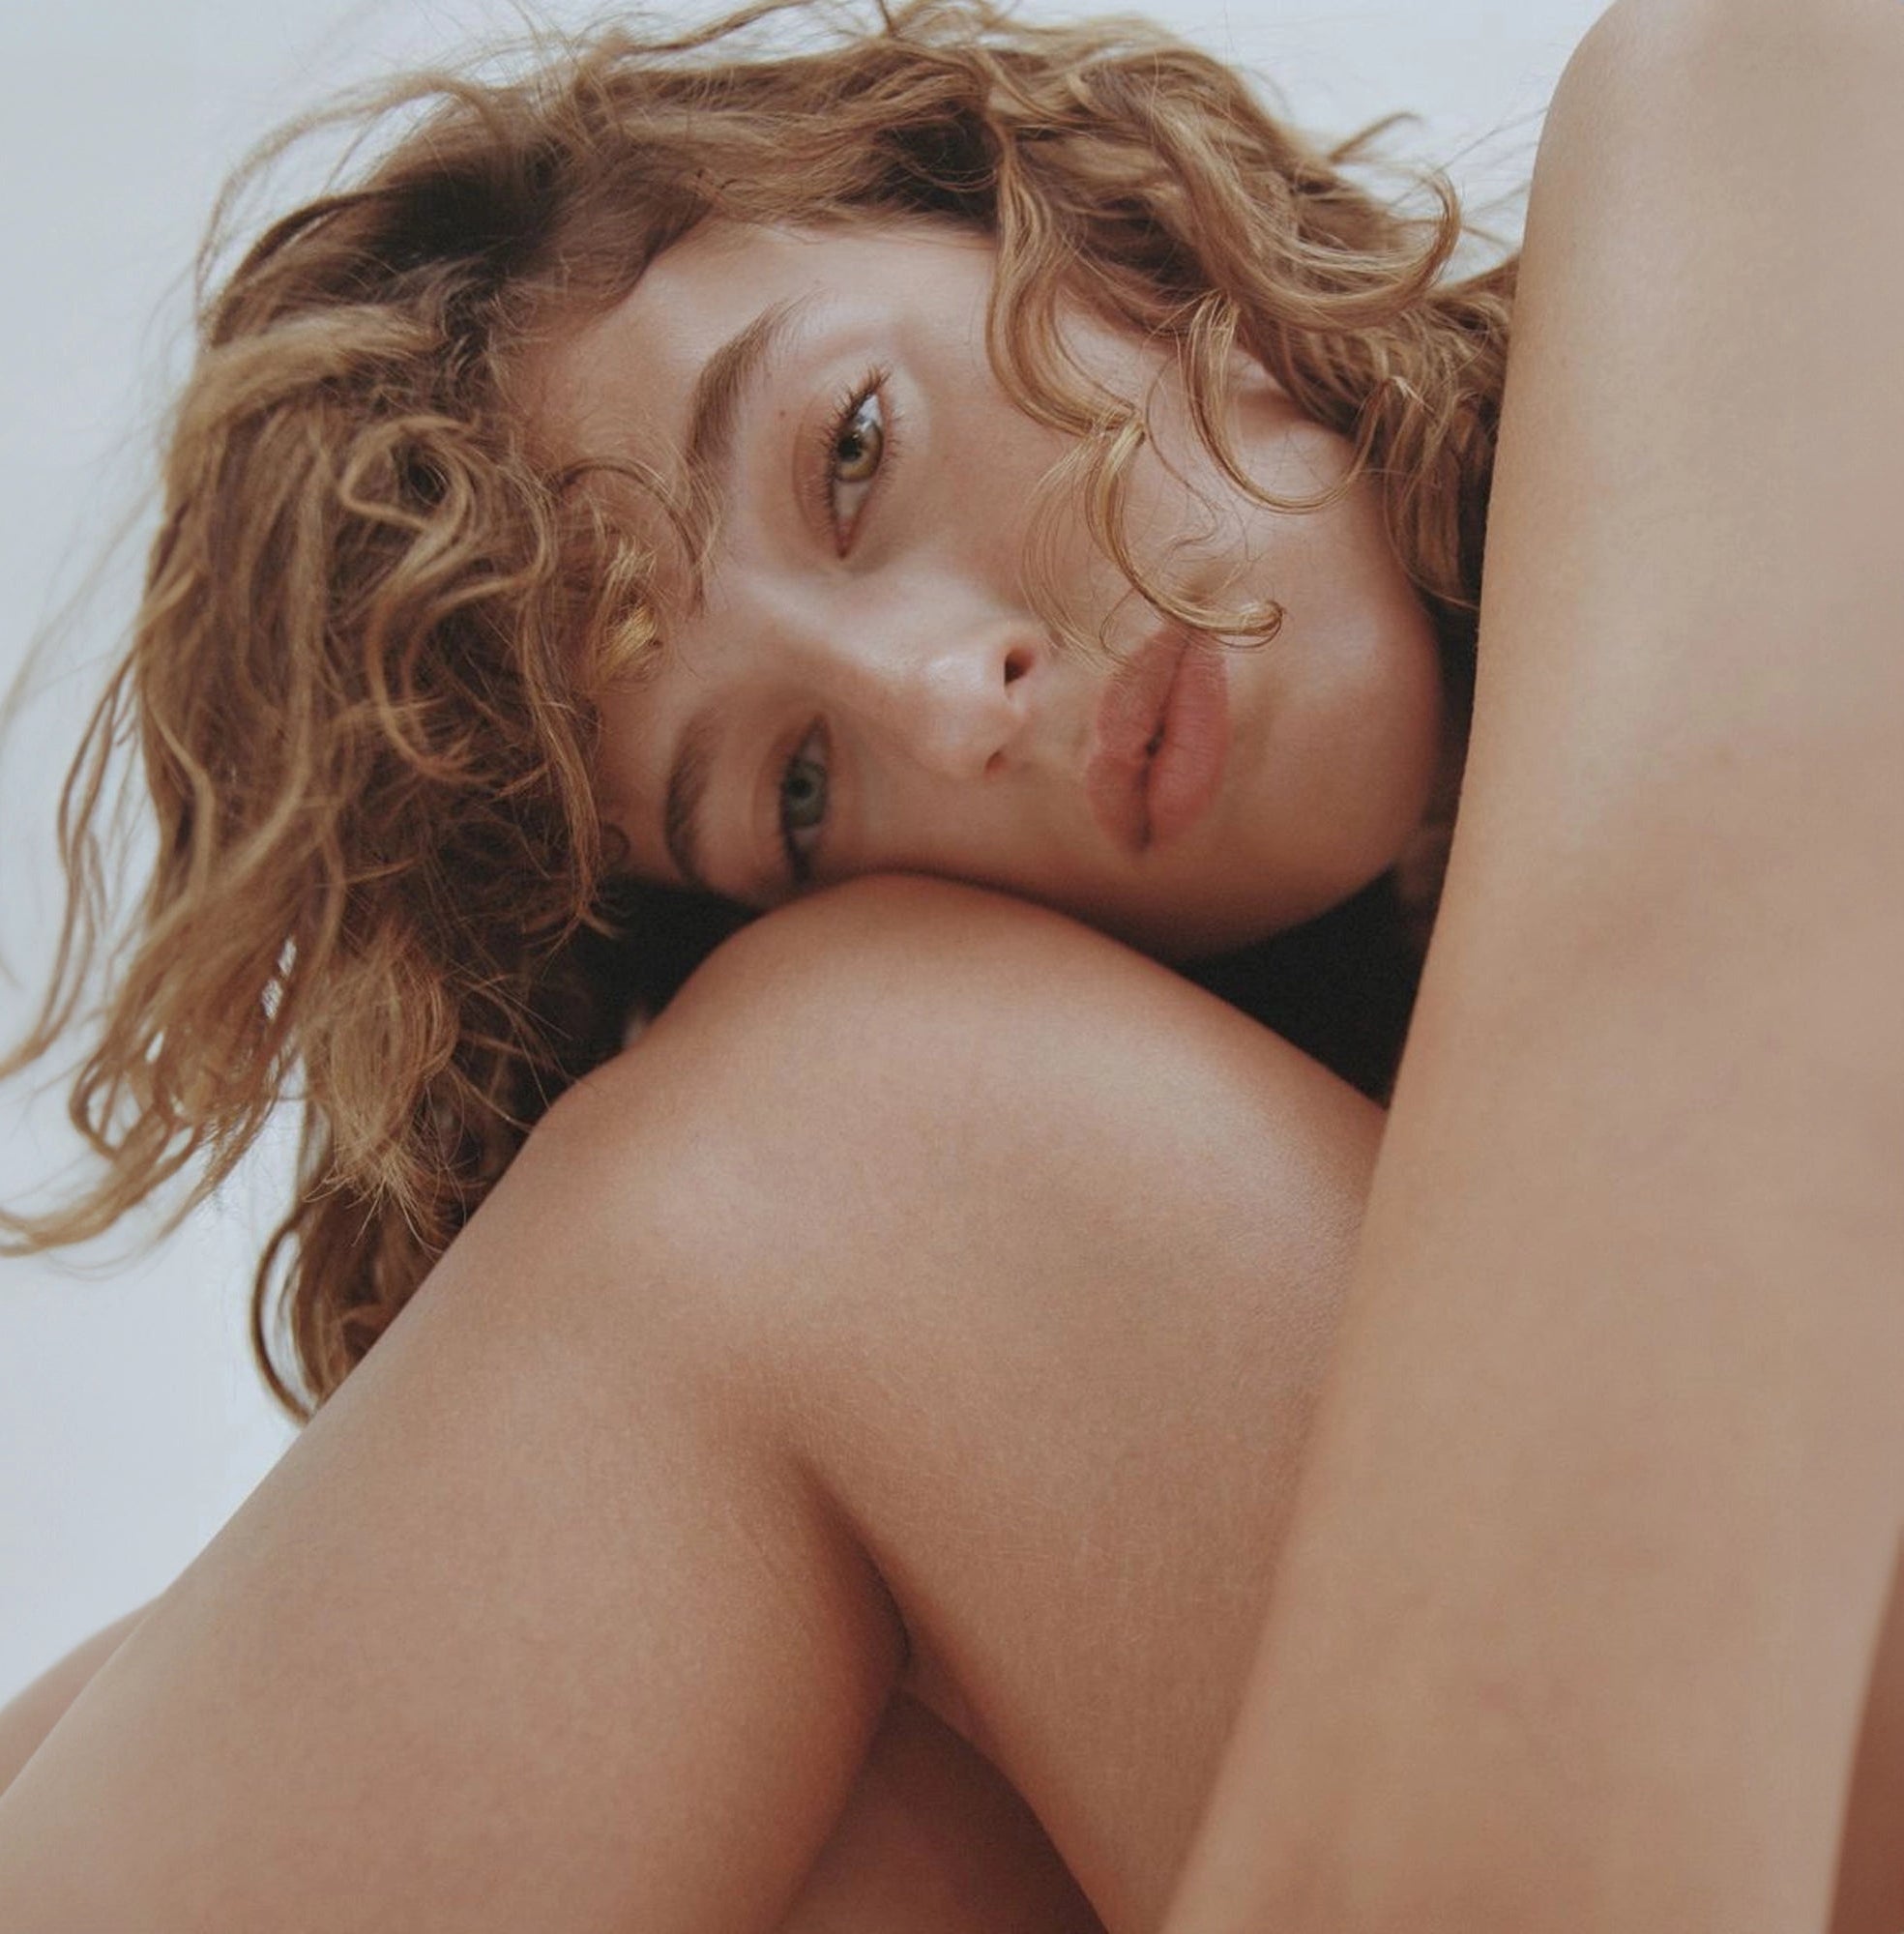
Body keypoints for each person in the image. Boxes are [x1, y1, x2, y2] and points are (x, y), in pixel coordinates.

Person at [1, 0, 1899, 1925]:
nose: (948, 696)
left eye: (849, 449)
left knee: (835, 1116)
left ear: (1073, 223)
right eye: (801, 792)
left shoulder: (1774, 139)